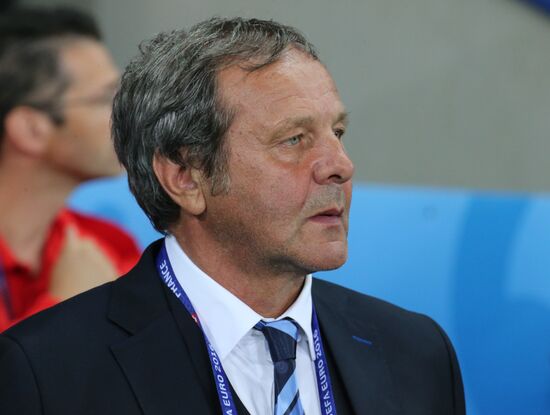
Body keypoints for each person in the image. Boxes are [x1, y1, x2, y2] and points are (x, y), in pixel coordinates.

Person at [0, 17, 465, 414]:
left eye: (337, 132)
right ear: (185, 177)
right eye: (294, 139)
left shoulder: (417, 352)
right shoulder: (46, 372)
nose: (341, 165)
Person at [0, 7, 140, 331]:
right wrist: (64, 306)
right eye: (104, 98)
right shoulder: (98, 266)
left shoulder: (111, 246)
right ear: (30, 129)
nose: (127, 114)